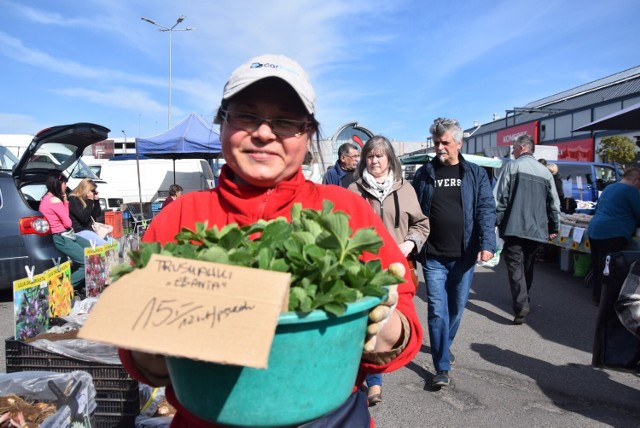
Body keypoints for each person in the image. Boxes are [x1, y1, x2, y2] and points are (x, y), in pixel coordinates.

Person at [117, 53, 422, 427]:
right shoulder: (180, 215)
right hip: (209, 416)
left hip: (329, 415)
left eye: (285, 121)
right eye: (247, 115)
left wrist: (387, 323)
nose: (264, 132)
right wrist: (148, 343)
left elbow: (402, 330)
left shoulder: (347, 209)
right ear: (223, 123)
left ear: (308, 133)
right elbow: (143, 364)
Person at [412, 118, 496, 387]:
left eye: (445, 142)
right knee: (437, 310)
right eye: (436, 143)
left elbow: (485, 208)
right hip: (433, 255)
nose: (439, 147)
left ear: (459, 143)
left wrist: (487, 243)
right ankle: (441, 366)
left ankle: (444, 346)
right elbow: (413, 211)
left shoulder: (474, 173)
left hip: (464, 255)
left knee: (456, 309)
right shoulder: (424, 173)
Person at [349, 135, 430, 406]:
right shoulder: (353, 189)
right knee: (371, 319)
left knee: (391, 319)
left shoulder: (406, 189)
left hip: (400, 267)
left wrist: (410, 243)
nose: (374, 161)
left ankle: (373, 376)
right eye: (370, 156)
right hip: (364, 269)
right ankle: (374, 383)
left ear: (389, 159)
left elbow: (421, 224)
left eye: (379, 156)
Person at [494, 134, 560, 325]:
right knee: (528, 264)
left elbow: (500, 198)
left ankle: (521, 303)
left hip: (514, 227)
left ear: (523, 147)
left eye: (513, 147)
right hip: (537, 229)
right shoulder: (545, 172)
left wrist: (494, 221)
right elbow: (554, 204)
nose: (512, 151)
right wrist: (554, 226)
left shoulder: (512, 167)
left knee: (515, 265)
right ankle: (525, 297)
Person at [588, 167, 640, 305]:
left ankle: (597, 296)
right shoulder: (631, 191)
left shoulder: (609, 188)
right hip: (613, 232)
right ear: (635, 180)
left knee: (599, 266)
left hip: (595, 229)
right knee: (611, 268)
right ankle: (606, 299)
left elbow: (597, 208)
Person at [39, 172, 91, 290]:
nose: (66, 186)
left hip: (65, 235)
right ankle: (63, 288)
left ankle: (75, 281)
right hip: (62, 237)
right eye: (64, 183)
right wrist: (66, 202)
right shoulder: (55, 201)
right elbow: (68, 223)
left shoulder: (46, 198)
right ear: (57, 184)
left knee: (90, 250)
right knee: (86, 261)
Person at [68, 178, 110, 245]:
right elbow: (84, 218)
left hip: (92, 230)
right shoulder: (73, 199)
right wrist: (90, 201)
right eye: (92, 191)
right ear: (86, 190)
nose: (93, 193)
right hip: (81, 231)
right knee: (105, 246)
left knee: (115, 244)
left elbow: (97, 214)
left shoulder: (87, 200)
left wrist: (96, 200)